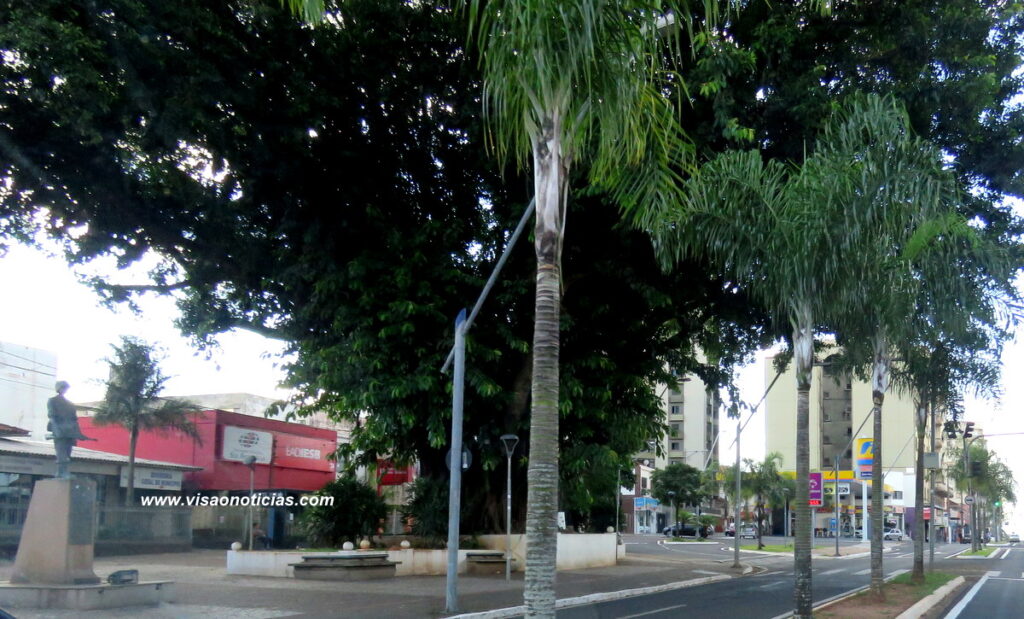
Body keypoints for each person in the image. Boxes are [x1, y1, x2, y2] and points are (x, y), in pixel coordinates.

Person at [47, 381, 93, 478]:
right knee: (61, 452)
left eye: (66, 388)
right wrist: (57, 430)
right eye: (63, 387)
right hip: (59, 431)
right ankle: (61, 472)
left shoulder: (70, 404)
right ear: (58, 388)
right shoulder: (52, 401)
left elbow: (74, 420)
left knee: (68, 453)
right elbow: (52, 417)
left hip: (70, 432)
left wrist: (79, 434)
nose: (64, 390)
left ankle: (63, 472)